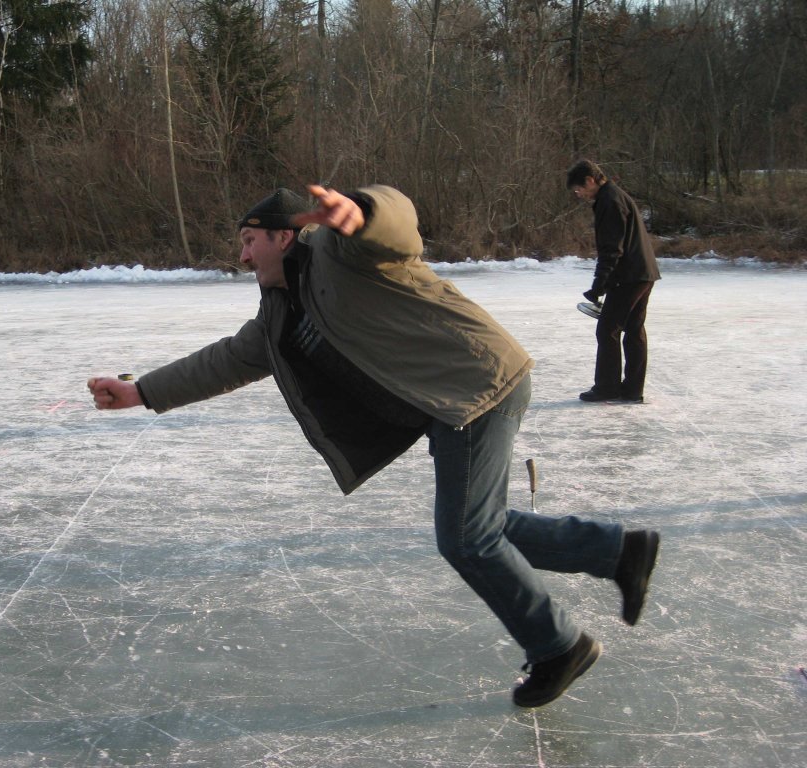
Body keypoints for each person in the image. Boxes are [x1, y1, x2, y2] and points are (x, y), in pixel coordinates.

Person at [87, 184, 661, 708]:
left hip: (474, 385)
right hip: (447, 402)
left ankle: (559, 645)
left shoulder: (339, 253)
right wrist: (140, 391)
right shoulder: (281, 310)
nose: (242, 256)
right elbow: (228, 360)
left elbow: (400, 227)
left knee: (467, 537)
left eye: (249, 241)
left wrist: (362, 213)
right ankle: (616, 552)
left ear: (283, 237)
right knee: (479, 526)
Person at [567, 159, 661, 403]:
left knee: (608, 329)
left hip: (629, 276)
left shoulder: (609, 201)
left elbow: (612, 249)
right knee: (633, 329)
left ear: (590, 180)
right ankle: (632, 390)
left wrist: (599, 284)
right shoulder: (614, 196)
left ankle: (607, 387)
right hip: (642, 273)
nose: (579, 195)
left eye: (579, 189)